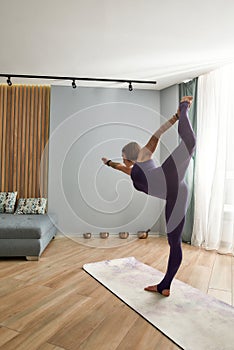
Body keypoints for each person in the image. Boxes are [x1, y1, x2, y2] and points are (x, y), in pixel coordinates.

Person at [102, 96, 196, 296]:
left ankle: (184, 105)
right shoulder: (133, 171)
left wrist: (176, 117)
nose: (122, 159)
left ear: (128, 154)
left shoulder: (144, 155)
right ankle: (165, 285)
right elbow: (120, 168)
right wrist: (108, 162)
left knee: (190, 142)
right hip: (176, 194)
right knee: (174, 241)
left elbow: (157, 134)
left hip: (169, 176)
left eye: (123, 155)